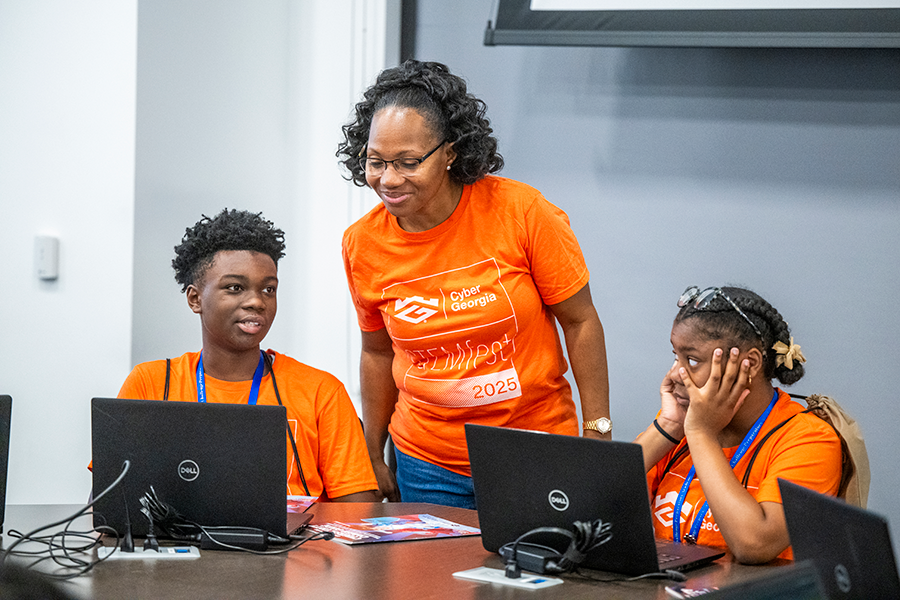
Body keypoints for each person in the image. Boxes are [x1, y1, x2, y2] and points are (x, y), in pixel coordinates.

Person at [337, 60, 611, 508]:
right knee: (436, 579)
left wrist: (598, 430)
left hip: (533, 450)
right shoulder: (362, 244)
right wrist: (371, 447)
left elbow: (581, 322)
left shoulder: (520, 211)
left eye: (408, 162)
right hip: (427, 463)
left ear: (450, 152)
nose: (388, 179)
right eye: (376, 161)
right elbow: (378, 350)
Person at [118, 209, 378, 502]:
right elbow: (113, 502)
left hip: (294, 547)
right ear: (195, 299)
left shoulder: (320, 391)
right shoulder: (151, 384)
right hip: (183, 546)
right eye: (235, 287)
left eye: (269, 289)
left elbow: (358, 514)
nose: (257, 301)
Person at [636, 286, 842, 563]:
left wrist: (700, 433)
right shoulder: (680, 425)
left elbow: (754, 544)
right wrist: (669, 425)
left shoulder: (809, 439)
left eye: (693, 360)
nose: (675, 374)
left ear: (750, 363)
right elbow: (588, 504)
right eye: (676, 357)